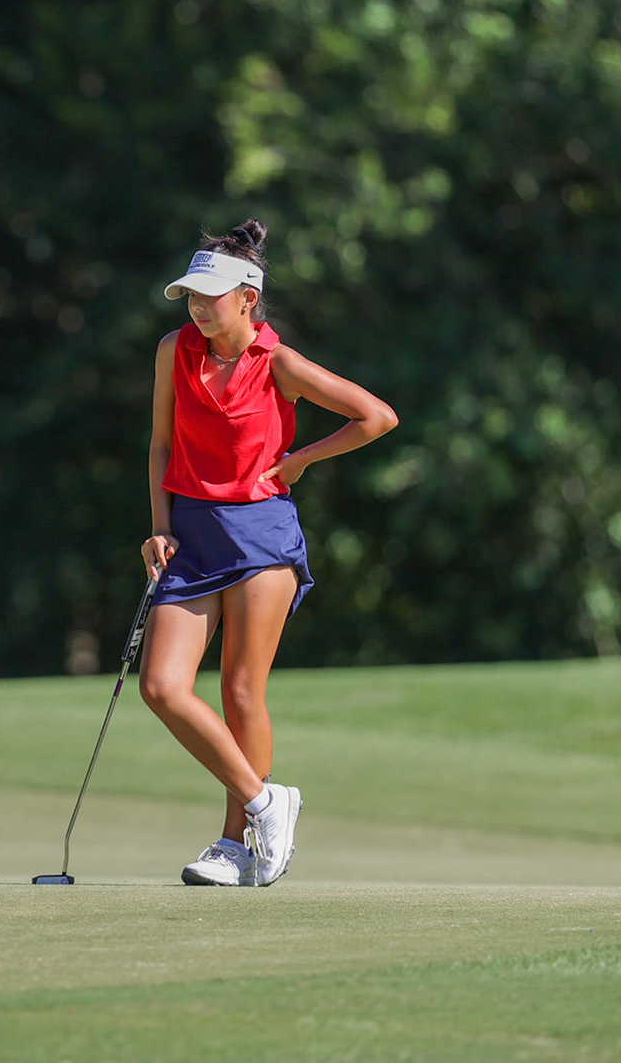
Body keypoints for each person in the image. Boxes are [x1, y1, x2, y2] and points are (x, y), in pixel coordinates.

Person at [140, 220, 397, 887]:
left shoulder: (276, 363)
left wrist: (303, 459)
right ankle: (265, 801)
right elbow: (161, 447)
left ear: (247, 299)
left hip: (261, 537)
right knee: (162, 686)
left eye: (211, 296)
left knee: (240, 693)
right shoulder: (175, 350)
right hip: (192, 538)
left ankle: (234, 846)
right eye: (192, 296)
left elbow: (375, 416)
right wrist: (159, 526)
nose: (198, 307)